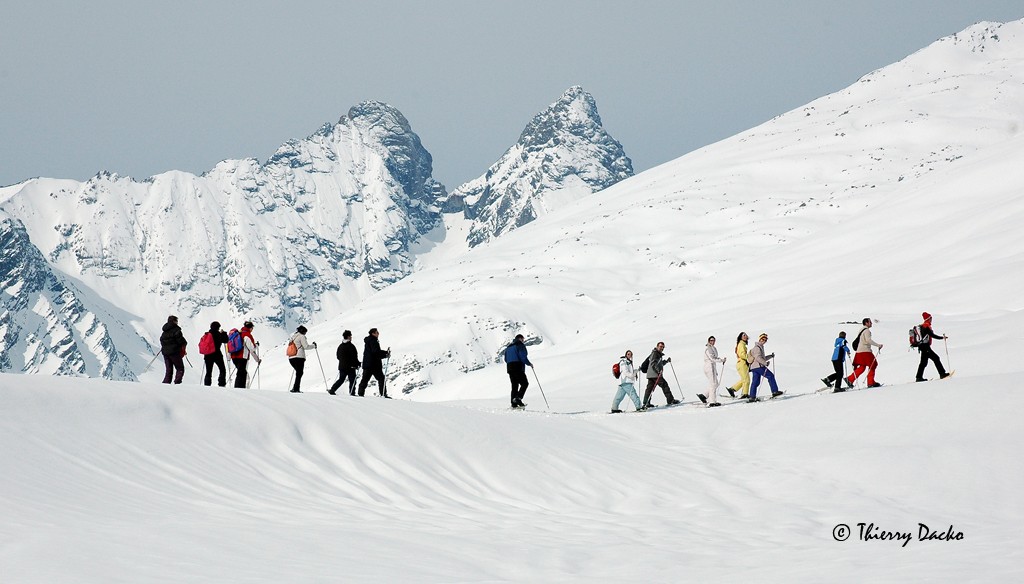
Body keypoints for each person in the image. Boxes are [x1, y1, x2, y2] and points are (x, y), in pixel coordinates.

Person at [846, 318, 883, 388]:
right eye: (870, 322)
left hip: (859, 351)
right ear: (866, 323)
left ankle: (850, 379)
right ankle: (870, 382)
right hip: (865, 351)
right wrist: (878, 345)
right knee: (873, 365)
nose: (871, 323)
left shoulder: (861, 330)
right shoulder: (867, 331)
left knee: (862, 367)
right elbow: (868, 340)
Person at [643, 341, 680, 408]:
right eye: (660, 346)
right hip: (655, 374)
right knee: (664, 385)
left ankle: (646, 403)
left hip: (651, 374)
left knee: (649, 389)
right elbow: (653, 364)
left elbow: (659, 363)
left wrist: (666, 361)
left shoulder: (656, 353)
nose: (662, 348)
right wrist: (658, 371)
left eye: (663, 347)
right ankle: (670, 400)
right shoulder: (655, 353)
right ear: (657, 346)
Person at [747, 332, 782, 402]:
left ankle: (752, 397)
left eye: (765, 340)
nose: (764, 341)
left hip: (754, 367)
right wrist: (765, 363)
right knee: (770, 376)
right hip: (758, 366)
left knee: (755, 382)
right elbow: (758, 358)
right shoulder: (757, 348)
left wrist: (770, 356)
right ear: (760, 339)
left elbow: (762, 358)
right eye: (763, 339)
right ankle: (775, 391)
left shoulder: (759, 347)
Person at [916, 312, 950, 381]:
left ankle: (919, 377)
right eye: (931, 318)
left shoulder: (922, 326)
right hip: (925, 347)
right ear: (928, 319)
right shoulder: (926, 326)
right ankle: (942, 373)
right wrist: (942, 338)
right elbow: (932, 335)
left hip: (923, 347)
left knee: (924, 362)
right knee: (936, 358)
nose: (931, 319)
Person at [358, 328, 391, 398]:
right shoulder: (373, 341)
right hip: (374, 364)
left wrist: (385, 352)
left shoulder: (368, 341)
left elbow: (375, 351)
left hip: (367, 364)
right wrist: (385, 355)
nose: (378, 334)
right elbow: (375, 352)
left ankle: (360, 394)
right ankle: (383, 394)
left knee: (365, 379)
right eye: (377, 332)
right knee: (381, 378)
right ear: (373, 333)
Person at [504, 334, 533, 408]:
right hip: (517, 367)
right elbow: (523, 357)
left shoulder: (508, 347)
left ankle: (514, 404)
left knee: (514, 386)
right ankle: (518, 398)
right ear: (520, 338)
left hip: (510, 368)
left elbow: (506, 359)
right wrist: (529, 364)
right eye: (523, 339)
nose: (523, 341)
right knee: (525, 383)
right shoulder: (520, 345)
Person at [230, 320, 261, 389]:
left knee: (241, 372)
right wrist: (256, 346)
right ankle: (241, 390)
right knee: (242, 374)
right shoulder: (247, 335)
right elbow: (252, 348)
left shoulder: (238, 333)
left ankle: (239, 388)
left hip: (234, 356)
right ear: (250, 328)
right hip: (242, 357)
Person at [329, 330, 361, 395]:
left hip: (342, 366)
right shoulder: (351, 346)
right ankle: (352, 393)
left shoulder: (340, 346)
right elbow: (354, 357)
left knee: (341, 379)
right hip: (351, 367)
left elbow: (338, 356)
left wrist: (343, 361)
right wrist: (357, 364)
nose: (351, 337)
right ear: (348, 337)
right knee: (352, 380)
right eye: (350, 336)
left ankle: (333, 389)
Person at [700, 336, 728, 407]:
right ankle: (712, 401)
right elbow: (712, 358)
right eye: (711, 340)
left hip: (712, 367)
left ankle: (704, 395)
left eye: (714, 340)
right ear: (709, 341)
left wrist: (721, 359)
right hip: (709, 366)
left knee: (716, 383)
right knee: (713, 384)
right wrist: (721, 360)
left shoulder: (713, 348)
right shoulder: (708, 349)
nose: (713, 341)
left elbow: (715, 358)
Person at [287, 325, 316, 393]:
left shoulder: (293, 337)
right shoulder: (301, 336)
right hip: (299, 357)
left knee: (298, 372)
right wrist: (314, 345)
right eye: (305, 332)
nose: (305, 333)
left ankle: (295, 388)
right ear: (303, 331)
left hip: (291, 357)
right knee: (299, 373)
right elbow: (306, 346)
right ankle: (296, 389)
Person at [201, 321, 230, 387]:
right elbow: (226, 340)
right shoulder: (218, 334)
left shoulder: (207, 334)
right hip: (217, 355)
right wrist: (224, 333)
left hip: (208, 355)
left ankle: (207, 385)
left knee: (208, 372)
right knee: (222, 370)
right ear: (218, 327)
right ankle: (221, 384)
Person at [160, 315, 187, 384]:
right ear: (174, 321)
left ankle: (166, 383)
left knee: (169, 370)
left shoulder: (164, 332)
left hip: (165, 353)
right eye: (176, 321)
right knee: (180, 368)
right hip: (174, 352)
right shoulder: (176, 330)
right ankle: (177, 381)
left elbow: (161, 340)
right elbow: (181, 341)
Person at [725, 332, 750, 399]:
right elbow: (742, 354)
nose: (745, 336)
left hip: (740, 363)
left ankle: (732, 389)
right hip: (742, 363)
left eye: (746, 335)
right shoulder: (741, 344)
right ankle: (745, 394)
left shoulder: (741, 344)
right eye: (743, 335)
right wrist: (749, 358)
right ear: (740, 337)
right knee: (746, 380)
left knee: (744, 379)